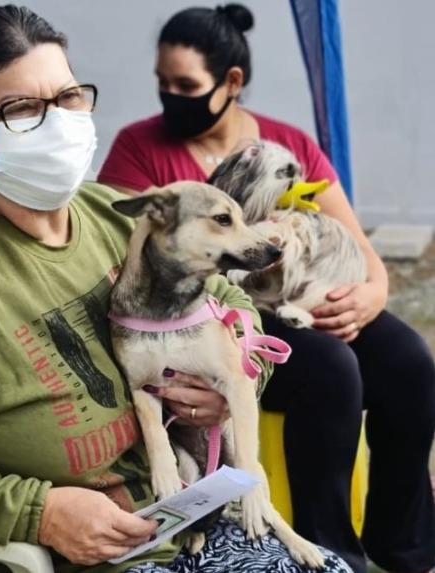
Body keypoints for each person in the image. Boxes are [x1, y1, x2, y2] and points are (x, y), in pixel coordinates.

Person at [0, 5, 353, 573]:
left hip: (188, 524)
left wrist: (233, 374)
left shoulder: (114, 214)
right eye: (21, 109)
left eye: (69, 98)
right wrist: (38, 513)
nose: (57, 123)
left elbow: (230, 294)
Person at [97, 5, 435, 573]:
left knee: (409, 362)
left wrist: (372, 294)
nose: (169, 97)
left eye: (185, 85)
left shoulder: (285, 143)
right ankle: (330, 551)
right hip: (219, 315)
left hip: (306, 297)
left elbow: (356, 241)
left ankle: (407, 547)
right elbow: (123, 256)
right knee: (329, 369)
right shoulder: (140, 149)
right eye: (162, 84)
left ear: (231, 83)